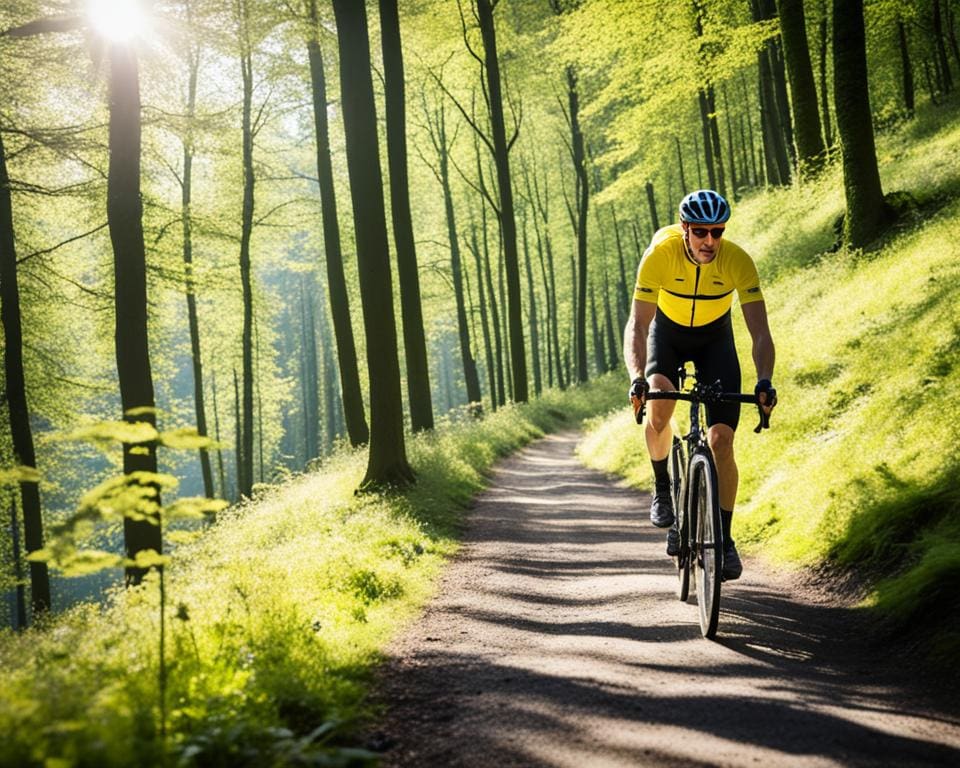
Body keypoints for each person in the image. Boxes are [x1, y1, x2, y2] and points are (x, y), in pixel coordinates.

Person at [623, 189, 777, 580]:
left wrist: (764, 380)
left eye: (718, 231)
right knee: (659, 410)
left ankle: (724, 541)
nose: (710, 240)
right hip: (668, 336)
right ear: (685, 229)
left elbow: (760, 332)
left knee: (721, 441)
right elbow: (638, 325)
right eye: (702, 232)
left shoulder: (737, 261)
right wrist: (637, 377)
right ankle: (663, 489)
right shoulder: (660, 254)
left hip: (715, 340)